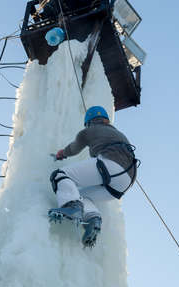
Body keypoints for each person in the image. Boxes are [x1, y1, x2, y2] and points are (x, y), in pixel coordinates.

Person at [48, 106, 138, 248]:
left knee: (59, 175)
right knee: (81, 196)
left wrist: (61, 154)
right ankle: (92, 220)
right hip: (126, 181)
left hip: (111, 166)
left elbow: (74, 148)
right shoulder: (119, 134)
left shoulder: (89, 131)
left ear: (88, 122)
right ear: (106, 120)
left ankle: (71, 206)